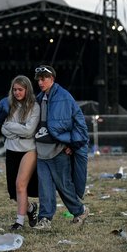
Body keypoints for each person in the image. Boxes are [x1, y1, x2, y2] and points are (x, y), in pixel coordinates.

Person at [32, 65, 89, 230]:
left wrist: (73, 144)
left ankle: (80, 211)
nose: (41, 82)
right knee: (44, 187)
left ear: (52, 79)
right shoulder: (39, 98)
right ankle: (45, 219)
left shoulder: (64, 97)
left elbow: (77, 122)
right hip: (42, 150)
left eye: (44, 79)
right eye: (39, 80)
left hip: (58, 150)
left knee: (64, 186)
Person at [0, 75, 41, 231]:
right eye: (14, 89)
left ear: (27, 89)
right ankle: (30, 208)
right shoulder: (8, 105)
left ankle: (19, 222)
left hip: (29, 149)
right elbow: (1, 128)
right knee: (13, 191)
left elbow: (29, 131)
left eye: (20, 89)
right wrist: (16, 129)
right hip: (11, 148)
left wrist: (11, 127)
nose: (17, 92)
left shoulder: (35, 106)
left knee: (21, 184)